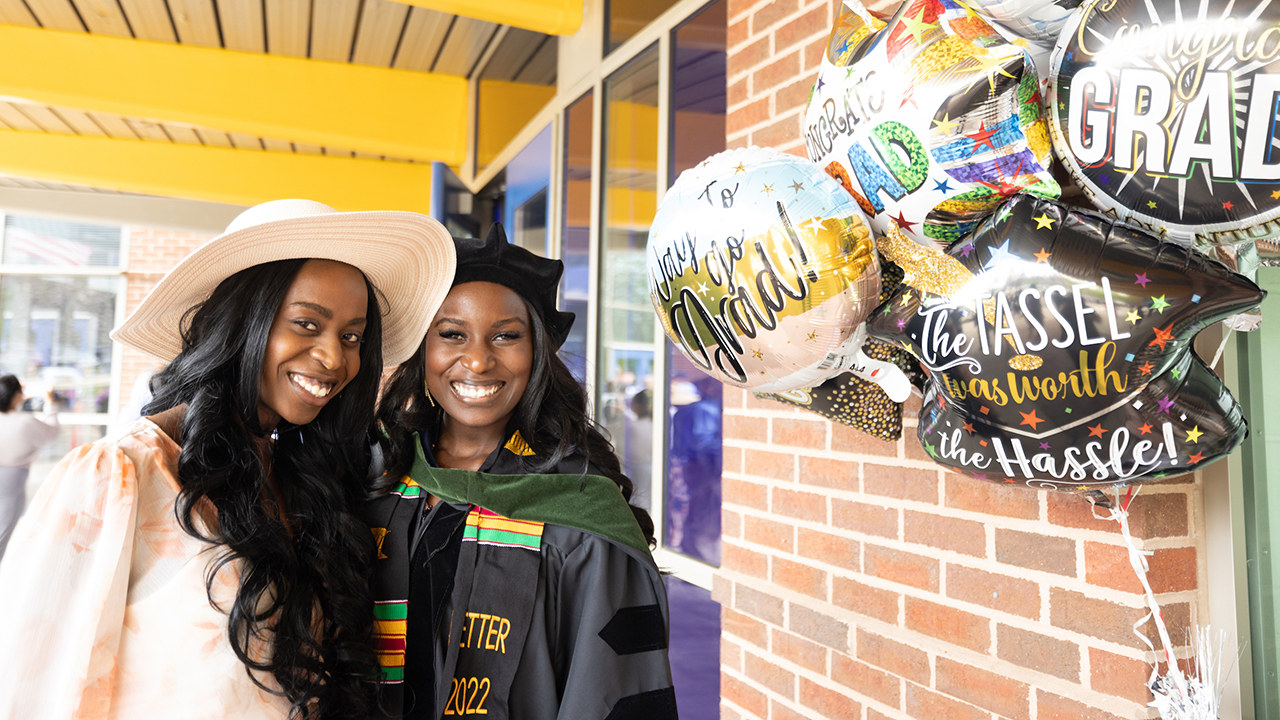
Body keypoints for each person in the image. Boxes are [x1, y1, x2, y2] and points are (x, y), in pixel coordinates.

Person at [0, 199, 455, 720]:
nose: (334, 358)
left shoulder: (301, 481)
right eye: (307, 324)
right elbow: (26, 688)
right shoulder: (120, 475)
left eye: (352, 337)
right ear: (242, 320)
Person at [368, 224, 678, 720]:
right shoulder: (380, 478)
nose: (477, 359)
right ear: (422, 351)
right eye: (451, 334)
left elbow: (612, 692)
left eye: (506, 336)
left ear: (536, 354)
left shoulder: (580, 511)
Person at [0, 374, 59, 560]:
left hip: (11, 481)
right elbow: (52, 433)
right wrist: (50, 402)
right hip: (11, 484)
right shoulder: (24, 422)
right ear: (17, 396)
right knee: (2, 533)